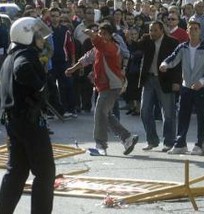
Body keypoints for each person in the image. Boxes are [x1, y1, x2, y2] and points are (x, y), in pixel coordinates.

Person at [0, 17, 55, 213]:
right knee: (46, 173)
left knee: (16, 172)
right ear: (27, 36)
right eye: (38, 36)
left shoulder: (10, 55)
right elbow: (22, 70)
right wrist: (40, 86)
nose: (42, 40)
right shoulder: (26, 54)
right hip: (29, 122)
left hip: (15, 121)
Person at [65, 23, 138, 156]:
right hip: (104, 86)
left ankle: (100, 144)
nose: (101, 35)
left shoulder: (113, 47)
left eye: (104, 33)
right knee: (107, 115)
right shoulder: (97, 48)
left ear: (111, 35)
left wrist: (92, 35)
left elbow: (102, 46)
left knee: (99, 112)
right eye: (100, 33)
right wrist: (73, 68)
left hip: (112, 85)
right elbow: (86, 58)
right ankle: (127, 138)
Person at [159, 20, 204, 155]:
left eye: (196, 28)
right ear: (187, 31)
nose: (193, 31)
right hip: (186, 86)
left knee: (202, 116)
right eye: (191, 29)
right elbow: (173, 58)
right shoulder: (182, 47)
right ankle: (180, 144)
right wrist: (164, 64)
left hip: (200, 87)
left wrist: (202, 81)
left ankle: (200, 145)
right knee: (183, 115)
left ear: (200, 31)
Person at [126, 20, 181, 152]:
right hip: (148, 79)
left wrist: (176, 82)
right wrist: (129, 39)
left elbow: (177, 63)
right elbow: (136, 47)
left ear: (162, 30)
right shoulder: (146, 40)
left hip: (166, 80)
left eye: (155, 30)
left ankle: (169, 142)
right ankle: (152, 140)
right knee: (145, 111)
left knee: (168, 113)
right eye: (150, 30)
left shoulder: (172, 42)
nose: (152, 33)